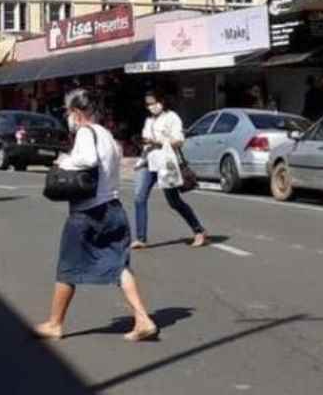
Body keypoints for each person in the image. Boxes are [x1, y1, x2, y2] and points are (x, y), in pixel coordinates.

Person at [34, 89, 157, 342]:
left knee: (67, 267)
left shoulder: (85, 133)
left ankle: (55, 324)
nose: (68, 117)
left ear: (78, 113)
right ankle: (143, 318)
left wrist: (64, 163)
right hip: (113, 209)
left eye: (69, 112)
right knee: (118, 265)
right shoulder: (107, 135)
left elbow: (88, 160)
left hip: (88, 213)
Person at [133, 91, 207, 249]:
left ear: (161, 101)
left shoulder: (172, 117)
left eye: (153, 102)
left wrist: (159, 141)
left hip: (165, 163)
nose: (151, 106)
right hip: (149, 162)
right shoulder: (148, 121)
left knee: (174, 201)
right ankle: (141, 238)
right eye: (148, 104)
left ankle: (198, 230)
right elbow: (146, 142)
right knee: (139, 197)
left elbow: (179, 140)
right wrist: (142, 155)